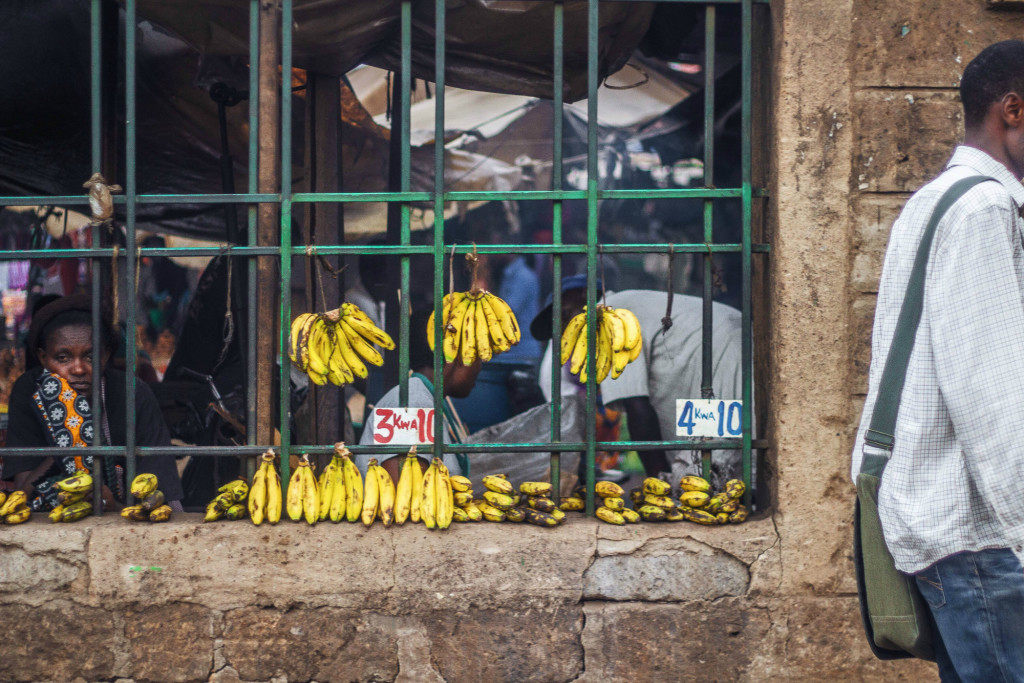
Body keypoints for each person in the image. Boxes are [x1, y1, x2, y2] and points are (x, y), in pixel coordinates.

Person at [851, 41, 1024, 679]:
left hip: (948, 525)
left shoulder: (936, 199)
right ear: (1013, 109)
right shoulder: (984, 209)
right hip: (981, 534)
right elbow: (995, 399)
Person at [531, 274, 748, 489]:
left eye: (566, 315)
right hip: (736, 355)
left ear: (583, 297)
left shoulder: (604, 317)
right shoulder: (632, 303)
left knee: (703, 488)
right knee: (733, 478)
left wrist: (658, 484)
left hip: (721, 371)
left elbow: (637, 408)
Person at [4, 294, 183, 511]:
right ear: (43, 358)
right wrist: (69, 438)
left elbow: (160, 499)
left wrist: (113, 506)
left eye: (90, 357)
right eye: (63, 358)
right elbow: (22, 494)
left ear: (106, 356)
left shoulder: (133, 393)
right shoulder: (30, 390)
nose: (78, 369)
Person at [357, 308, 481, 482]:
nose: (481, 364)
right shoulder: (411, 403)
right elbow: (405, 499)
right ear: (458, 355)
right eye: (478, 354)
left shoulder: (425, 399)